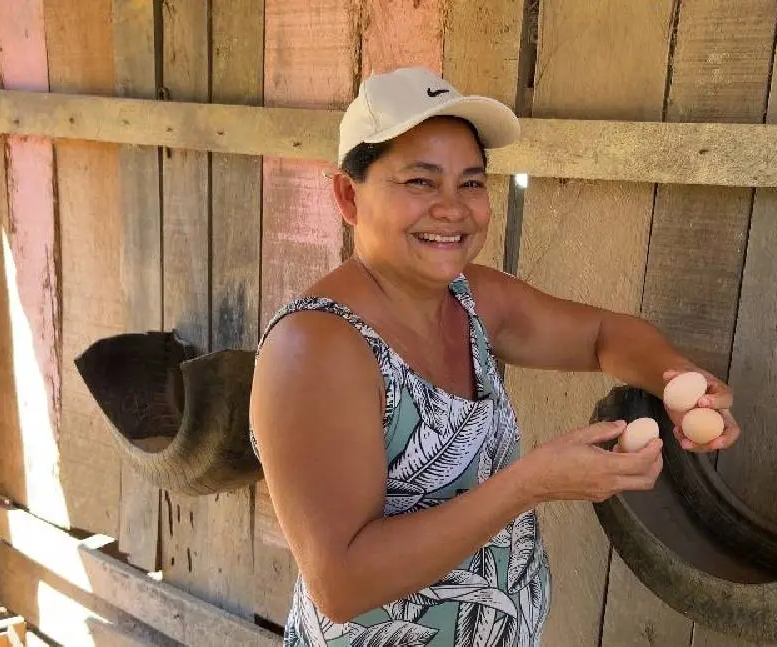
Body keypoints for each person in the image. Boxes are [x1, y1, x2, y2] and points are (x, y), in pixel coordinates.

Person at [248, 66, 739, 647]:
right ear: (346, 196)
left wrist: (677, 381)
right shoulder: (316, 348)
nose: (453, 209)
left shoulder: (470, 297)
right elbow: (342, 583)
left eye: (472, 183)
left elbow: (601, 336)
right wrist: (528, 486)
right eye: (420, 183)